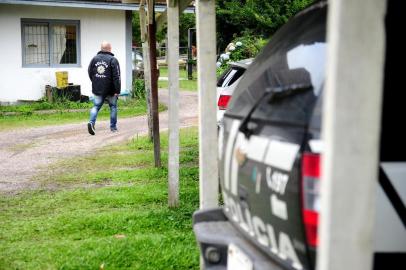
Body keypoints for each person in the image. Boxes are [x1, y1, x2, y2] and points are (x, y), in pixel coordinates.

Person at [87, 41, 121, 135]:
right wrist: (117, 90)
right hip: (111, 90)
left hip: (98, 88)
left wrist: (95, 81)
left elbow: (90, 72)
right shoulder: (113, 60)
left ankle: (91, 122)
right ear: (109, 48)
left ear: (101, 48)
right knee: (113, 107)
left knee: (96, 106)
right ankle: (113, 127)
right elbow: (116, 76)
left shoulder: (94, 59)